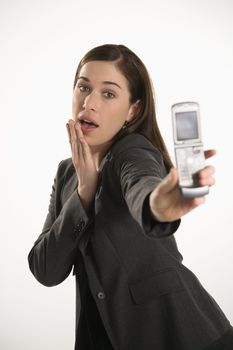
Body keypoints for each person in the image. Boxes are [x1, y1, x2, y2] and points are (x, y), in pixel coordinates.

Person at [28, 44, 233, 350]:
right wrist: (84, 193)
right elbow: (45, 269)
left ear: (133, 110)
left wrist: (160, 205)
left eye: (108, 93)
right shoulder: (66, 173)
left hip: (183, 334)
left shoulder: (132, 151)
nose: (89, 102)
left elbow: (142, 186)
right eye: (83, 87)